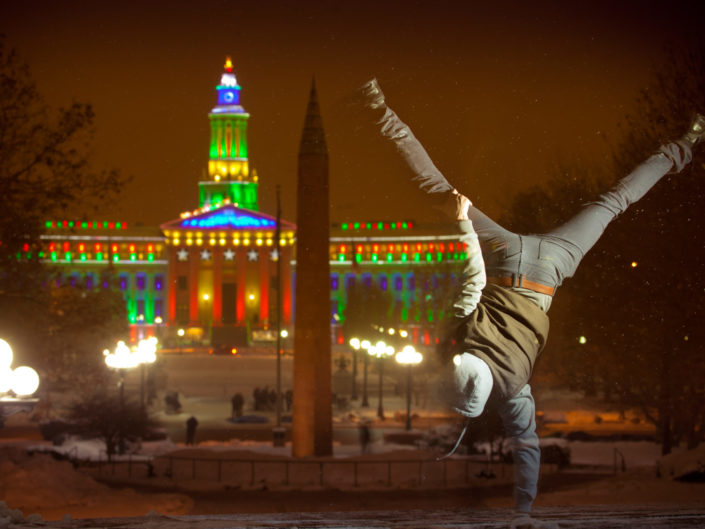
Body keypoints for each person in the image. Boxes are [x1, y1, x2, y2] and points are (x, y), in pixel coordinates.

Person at [354, 78, 703, 529]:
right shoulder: (461, 334)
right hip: (506, 256)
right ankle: (378, 106)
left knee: (614, 201)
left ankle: (689, 141)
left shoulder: (515, 388)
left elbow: (528, 446)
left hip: (551, 269)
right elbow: (472, 274)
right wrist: (461, 222)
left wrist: (523, 512)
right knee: (439, 188)